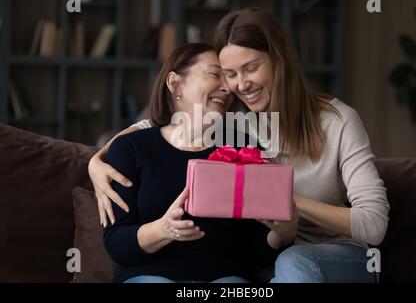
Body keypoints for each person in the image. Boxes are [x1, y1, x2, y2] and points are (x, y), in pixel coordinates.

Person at [89, 8, 390, 283]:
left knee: (293, 263)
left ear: (279, 59)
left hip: (337, 256)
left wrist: (287, 200)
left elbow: (374, 224)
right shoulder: (235, 125)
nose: (239, 85)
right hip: (274, 258)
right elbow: (158, 130)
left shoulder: (338, 121)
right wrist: (96, 161)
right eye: (229, 74)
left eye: (251, 68)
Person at [101, 43, 294, 283]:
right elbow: (116, 243)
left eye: (228, 78)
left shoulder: (244, 148)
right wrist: (163, 229)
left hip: (224, 278)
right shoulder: (131, 148)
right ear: (175, 84)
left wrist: (281, 235)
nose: (227, 88)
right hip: (150, 276)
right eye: (215, 74)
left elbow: (255, 251)